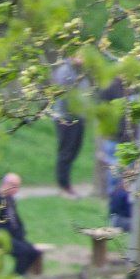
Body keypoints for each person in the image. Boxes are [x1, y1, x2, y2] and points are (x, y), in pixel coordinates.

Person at [0, 173, 41, 275]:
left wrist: (21, 234)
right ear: (7, 184)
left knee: (34, 252)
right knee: (24, 252)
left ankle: (16, 278)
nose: (17, 190)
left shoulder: (10, 200)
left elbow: (16, 221)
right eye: (16, 186)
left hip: (13, 238)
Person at [50, 56, 90, 196]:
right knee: (66, 152)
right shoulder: (65, 71)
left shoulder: (81, 72)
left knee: (74, 150)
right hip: (66, 118)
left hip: (79, 117)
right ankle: (63, 185)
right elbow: (63, 94)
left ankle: (66, 183)